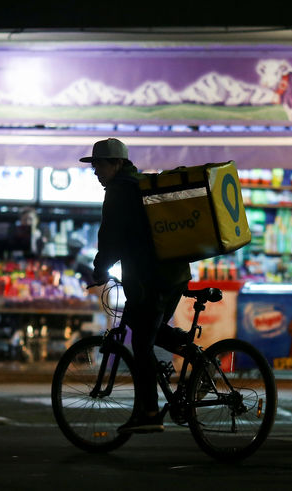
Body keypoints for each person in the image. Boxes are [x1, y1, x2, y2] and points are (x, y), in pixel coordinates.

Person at [81, 138, 192, 434]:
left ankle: (149, 412)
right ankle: (198, 359)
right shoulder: (139, 185)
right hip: (173, 275)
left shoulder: (120, 191)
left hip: (152, 281)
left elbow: (110, 238)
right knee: (144, 327)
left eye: (100, 164)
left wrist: (99, 270)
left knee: (141, 344)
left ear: (117, 164)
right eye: (94, 165)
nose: (96, 172)